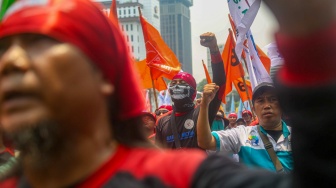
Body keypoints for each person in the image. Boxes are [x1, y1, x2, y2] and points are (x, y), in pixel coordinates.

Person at [0, 1, 287, 187]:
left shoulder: (181, 176)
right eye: (3, 48)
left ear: (104, 75)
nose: (11, 61)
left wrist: (305, 35)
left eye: (41, 43)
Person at [197, 82, 293, 172]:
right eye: (261, 101)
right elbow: (206, 142)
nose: (267, 105)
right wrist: (204, 105)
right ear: (253, 109)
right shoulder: (242, 135)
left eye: (273, 100)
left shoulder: (298, 136)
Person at [155, 32, 225, 149]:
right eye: (174, 83)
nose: (177, 86)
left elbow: (220, 83)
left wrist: (214, 49)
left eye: (182, 83)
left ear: (193, 92)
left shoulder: (202, 112)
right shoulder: (162, 122)